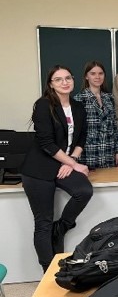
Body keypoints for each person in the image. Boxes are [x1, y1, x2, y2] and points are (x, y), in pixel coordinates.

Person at [21, 65, 93, 271]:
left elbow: (81, 137)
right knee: (43, 222)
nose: (65, 82)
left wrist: (71, 160)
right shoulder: (44, 105)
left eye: (68, 78)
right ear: (51, 84)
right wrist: (73, 163)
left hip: (64, 163)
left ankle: (61, 228)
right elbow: (46, 143)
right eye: (58, 79)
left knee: (84, 191)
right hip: (39, 169)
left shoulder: (78, 107)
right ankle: (49, 271)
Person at [73, 61, 118, 169]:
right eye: (93, 73)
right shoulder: (79, 99)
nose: (97, 77)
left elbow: (114, 126)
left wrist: (117, 151)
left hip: (108, 151)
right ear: (86, 76)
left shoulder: (109, 98)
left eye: (100, 73)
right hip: (88, 151)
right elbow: (76, 131)